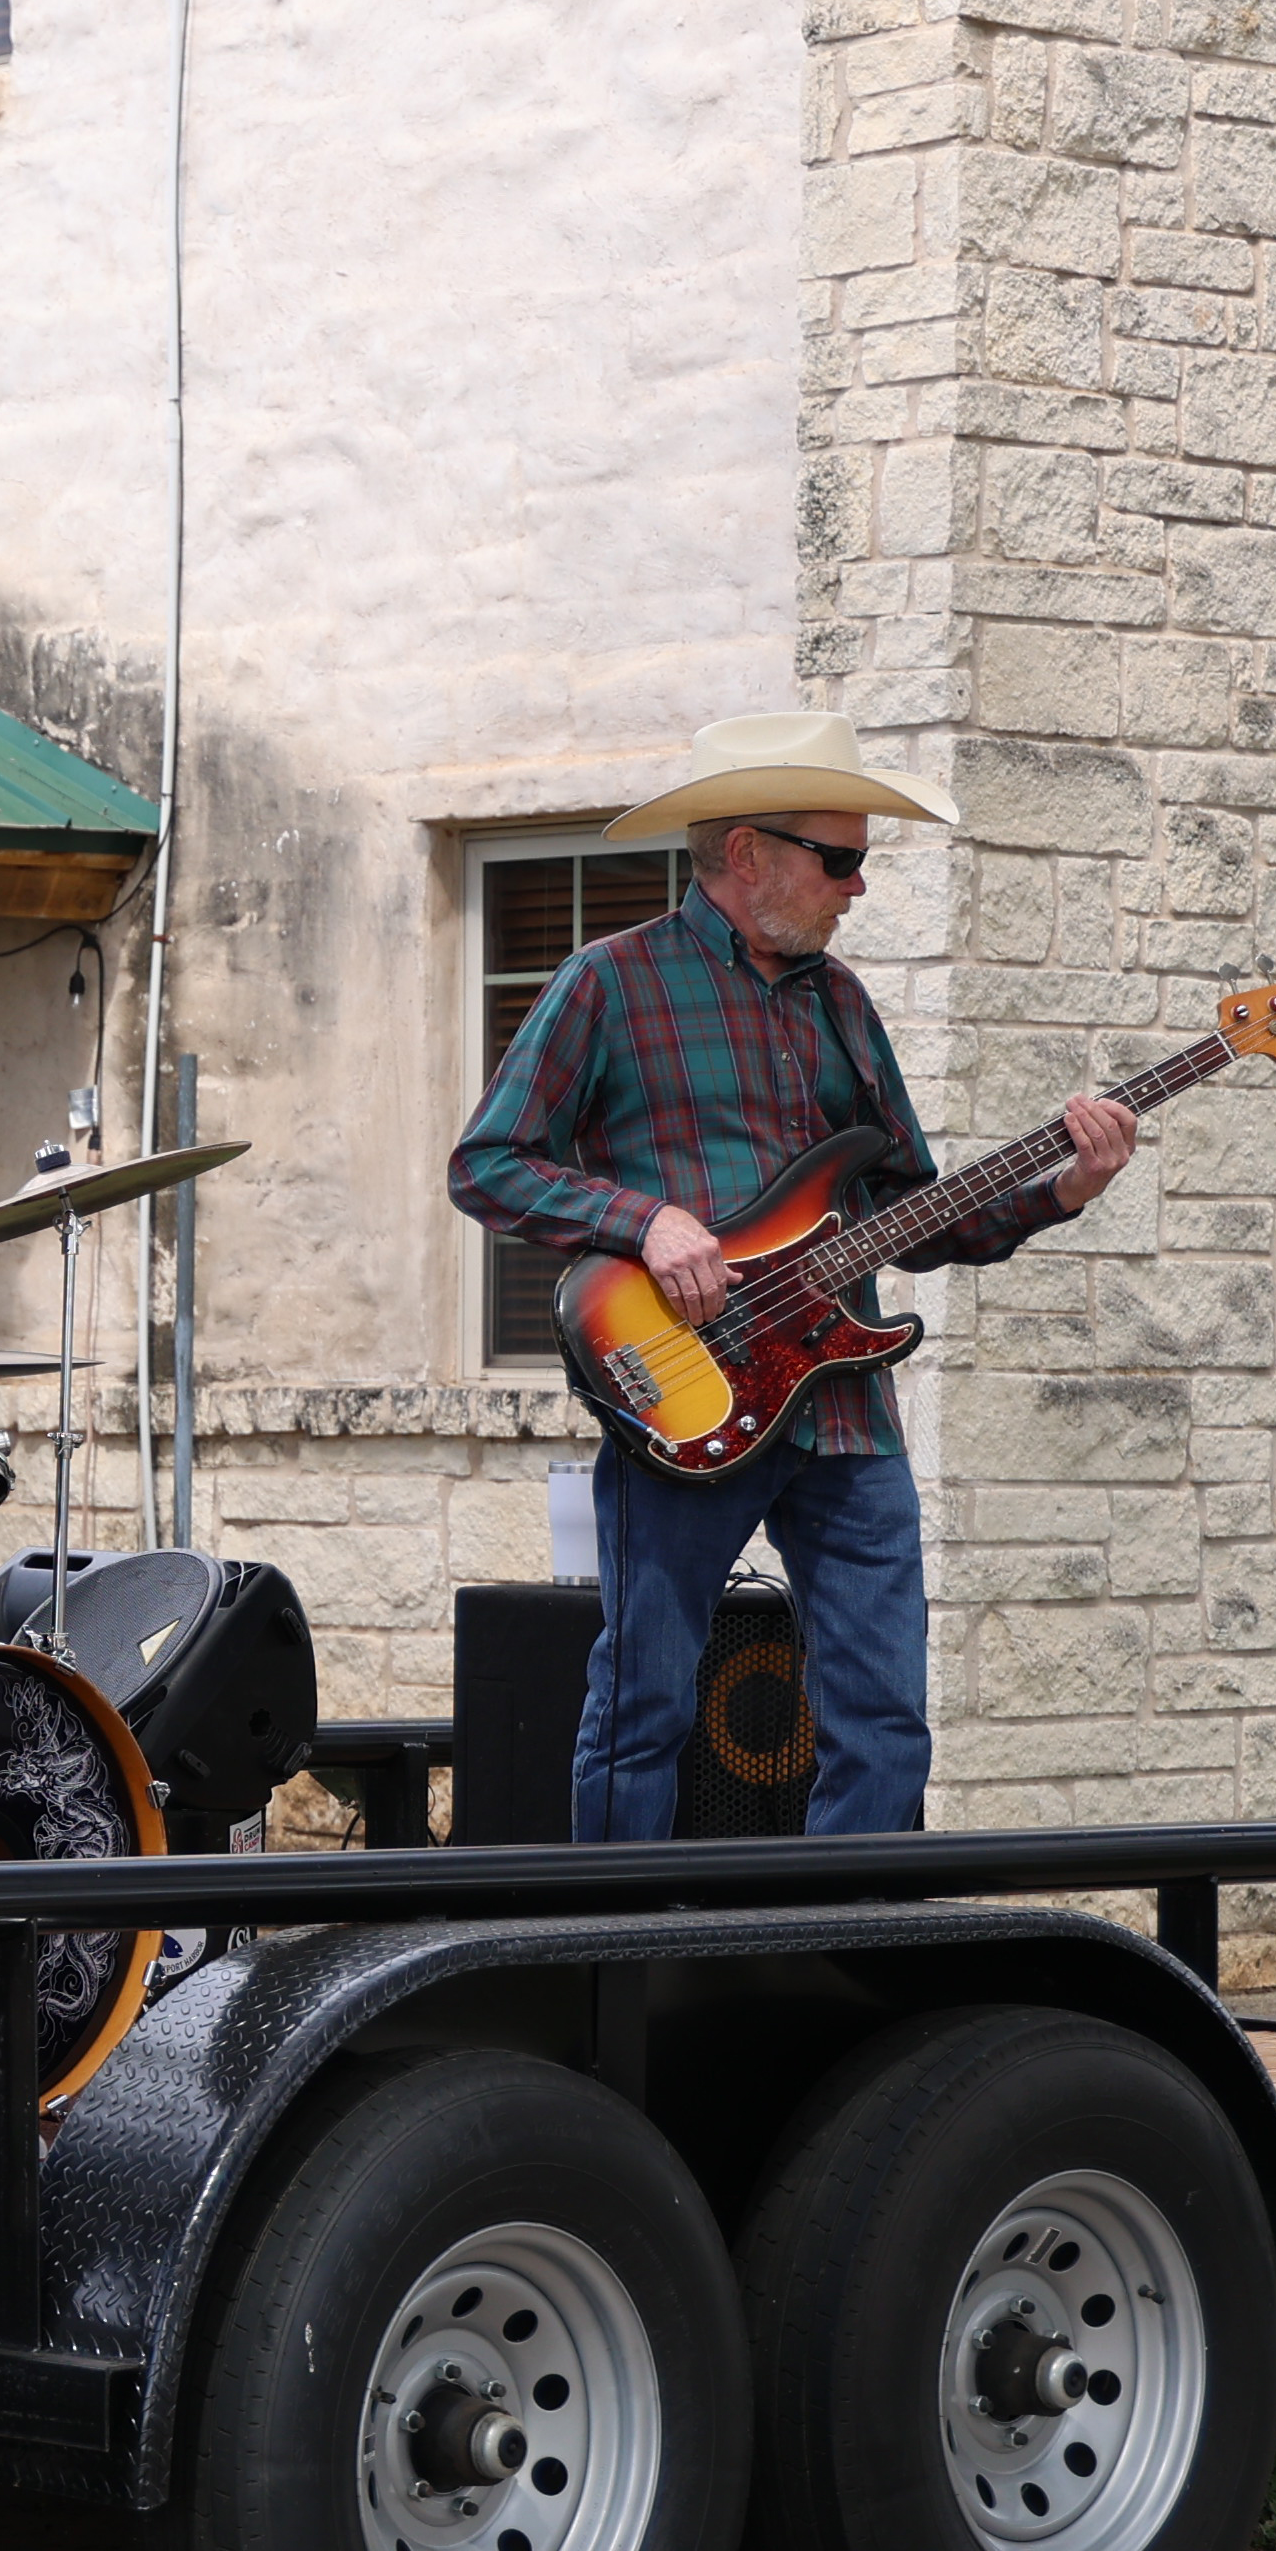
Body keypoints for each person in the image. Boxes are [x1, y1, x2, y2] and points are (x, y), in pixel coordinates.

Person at [446, 712, 1136, 1840]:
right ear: (748, 855)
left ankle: (846, 1957)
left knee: (887, 1723)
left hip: (847, 1412)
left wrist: (1060, 1190)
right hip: (686, 1394)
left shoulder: (845, 1006)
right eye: (842, 859)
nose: (857, 887)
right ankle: (616, 1966)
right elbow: (487, 1166)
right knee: (644, 1706)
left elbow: (910, 1214)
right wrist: (645, 1221)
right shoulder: (607, 986)